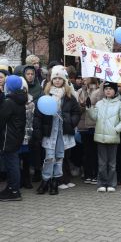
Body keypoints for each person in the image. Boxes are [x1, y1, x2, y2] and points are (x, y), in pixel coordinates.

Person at [33, 65, 81, 195]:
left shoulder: (69, 96)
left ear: (64, 81)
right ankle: (45, 180)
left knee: (59, 157)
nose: (57, 81)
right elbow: (38, 115)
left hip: (62, 132)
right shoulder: (45, 95)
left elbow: (77, 112)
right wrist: (38, 131)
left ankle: (55, 180)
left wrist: (71, 121)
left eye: (60, 78)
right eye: (55, 78)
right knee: (49, 157)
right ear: (51, 80)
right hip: (49, 132)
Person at [88, 81, 121, 192]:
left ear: (115, 90)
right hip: (100, 138)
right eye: (106, 89)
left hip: (113, 138)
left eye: (110, 89)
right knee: (102, 163)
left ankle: (111, 183)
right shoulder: (99, 103)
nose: (108, 91)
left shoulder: (119, 104)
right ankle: (102, 183)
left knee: (111, 163)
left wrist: (116, 130)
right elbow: (94, 117)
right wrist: (89, 108)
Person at [0, 75, 27, 201]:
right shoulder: (19, 98)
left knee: (11, 164)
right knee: (13, 162)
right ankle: (11, 188)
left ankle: (14, 190)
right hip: (16, 135)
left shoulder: (9, 102)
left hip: (8, 137)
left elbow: (1, 120)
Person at [77, 78, 103, 185]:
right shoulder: (80, 91)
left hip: (95, 125)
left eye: (86, 78)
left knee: (95, 152)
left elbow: (100, 103)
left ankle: (95, 174)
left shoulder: (98, 91)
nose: (84, 80)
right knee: (86, 152)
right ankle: (87, 174)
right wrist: (81, 106)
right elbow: (77, 108)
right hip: (83, 126)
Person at [19, 78, 35, 189]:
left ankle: (27, 179)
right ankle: (19, 179)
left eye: (24, 89)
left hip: (28, 134)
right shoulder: (12, 102)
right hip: (17, 134)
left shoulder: (31, 102)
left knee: (26, 159)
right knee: (17, 159)